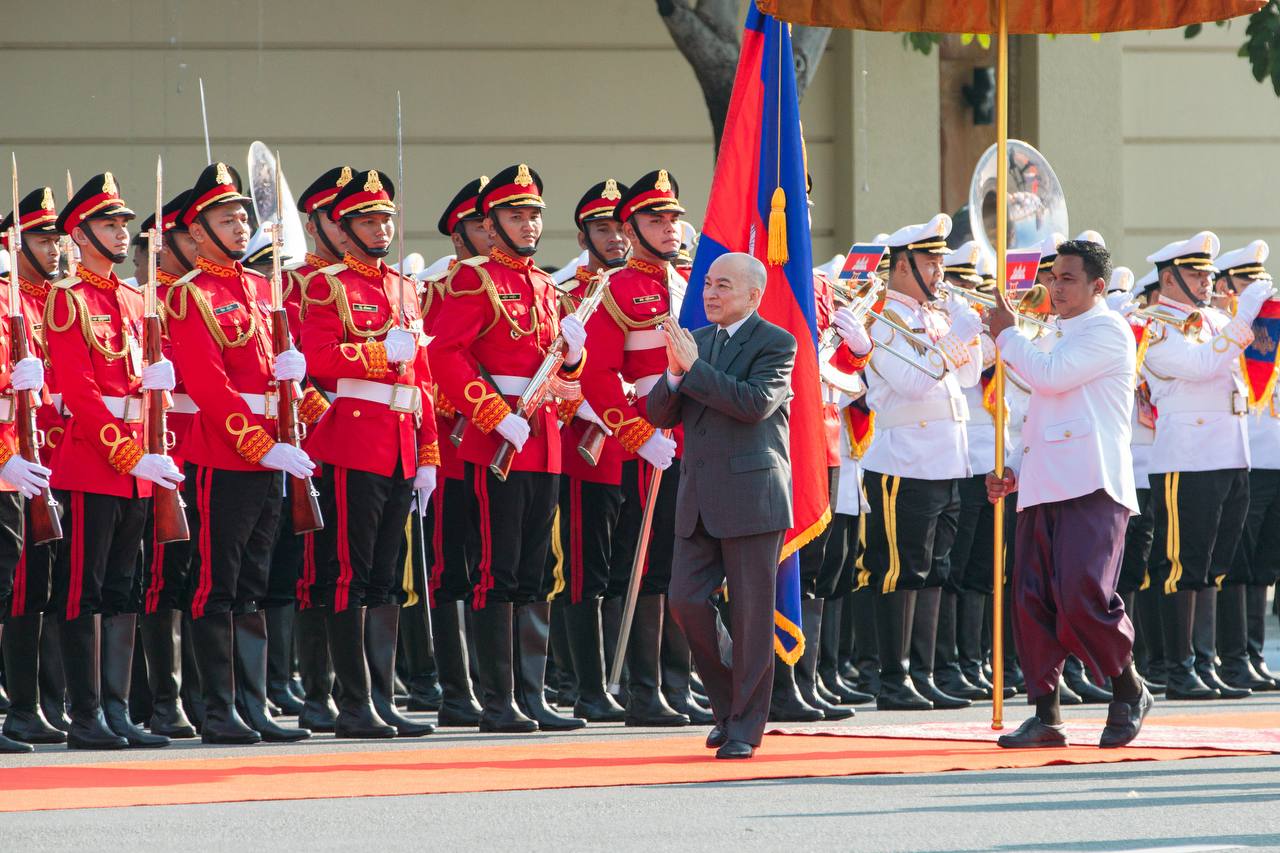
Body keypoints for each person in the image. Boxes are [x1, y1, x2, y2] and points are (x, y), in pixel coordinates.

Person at [427, 163, 587, 733]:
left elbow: (558, 371)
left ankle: (532, 693)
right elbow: (445, 355)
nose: (529, 224)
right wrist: (492, 412)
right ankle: (499, 700)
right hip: (498, 437)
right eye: (516, 215)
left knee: (533, 569)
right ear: (491, 224)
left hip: (542, 439)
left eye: (534, 215)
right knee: (495, 567)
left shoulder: (546, 286)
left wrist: (572, 356)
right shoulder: (474, 279)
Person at [165, 162, 316, 744]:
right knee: (218, 581)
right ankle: (217, 707)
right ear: (197, 231)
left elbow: (271, 375)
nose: (237, 226)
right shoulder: (189, 295)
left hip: (273, 451)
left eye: (241, 217)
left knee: (254, 579)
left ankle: (253, 704)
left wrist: (295, 385)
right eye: (224, 219)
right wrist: (259, 444)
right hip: (225, 454)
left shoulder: (260, 289)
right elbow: (206, 383)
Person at [986, 238, 1149, 749]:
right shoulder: (1052, 331)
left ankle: (1128, 686)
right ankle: (1046, 714)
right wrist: (1011, 466)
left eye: (1068, 279)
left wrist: (1008, 336)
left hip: (1091, 481)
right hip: (1042, 480)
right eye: (1053, 277)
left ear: (1098, 287)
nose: (1055, 287)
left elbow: (1051, 378)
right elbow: (1038, 410)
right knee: (1032, 600)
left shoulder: (1108, 330)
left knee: (1083, 594)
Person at [45, 172, 184, 749]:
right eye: (108, 223)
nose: (121, 232)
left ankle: (119, 711)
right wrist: (129, 456)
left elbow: (135, 384)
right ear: (78, 234)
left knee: (126, 588)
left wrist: (159, 398)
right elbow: (77, 392)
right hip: (92, 464)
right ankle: (86, 716)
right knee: (87, 589)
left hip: (137, 468)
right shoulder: (66, 299)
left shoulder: (134, 299)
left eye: (124, 223)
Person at [301, 169, 439, 739]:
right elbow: (318, 356)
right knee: (348, 576)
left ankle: (381, 699)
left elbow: (423, 375)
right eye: (366, 219)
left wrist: (428, 451)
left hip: (401, 443)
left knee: (385, 577)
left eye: (385, 218)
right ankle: (351, 702)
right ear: (343, 226)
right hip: (351, 441)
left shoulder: (406, 289)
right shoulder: (324, 285)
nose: (380, 228)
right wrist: (379, 352)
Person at [648, 251, 797, 760]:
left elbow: (755, 403)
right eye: (708, 284)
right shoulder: (700, 342)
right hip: (698, 496)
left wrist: (692, 371)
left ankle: (744, 728)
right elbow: (659, 413)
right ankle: (732, 702)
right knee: (686, 602)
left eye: (723, 286)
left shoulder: (777, 342)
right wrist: (672, 376)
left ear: (754, 295)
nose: (710, 293)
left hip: (753, 496)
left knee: (753, 615)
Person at [577, 170, 691, 728]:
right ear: (630, 226)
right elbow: (597, 376)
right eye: (655, 219)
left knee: (690, 564)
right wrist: (638, 436)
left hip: (700, 438)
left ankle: (681, 679)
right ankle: (646, 690)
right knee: (649, 567)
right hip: (653, 440)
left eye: (673, 218)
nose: (668, 228)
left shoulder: (697, 281)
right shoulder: (615, 289)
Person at [858, 214, 983, 712]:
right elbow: (912, 382)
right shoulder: (883, 318)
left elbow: (970, 376)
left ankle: (924, 673)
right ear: (903, 265)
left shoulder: (934, 315)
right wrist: (957, 335)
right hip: (902, 463)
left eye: (940, 261)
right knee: (900, 571)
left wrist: (970, 332)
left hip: (945, 463)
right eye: (931, 261)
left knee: (934, 571)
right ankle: (894, 678)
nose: (939, 272)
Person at [1143, 232, 1269, 701]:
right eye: (1196, 274)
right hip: (1187, 455)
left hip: (1230, 451)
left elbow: (1250, 364)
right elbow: (1197, 366)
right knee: (1182, 563)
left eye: (1208, 274)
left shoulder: (1218, 317)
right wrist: (1243, 318)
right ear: (1169, 278)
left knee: (1215, 565)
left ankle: (1204, 660)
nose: (1206, 281)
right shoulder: (1154, 324)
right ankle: (1178, 668)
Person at [551, 179, 631, 723]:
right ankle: (585, 683)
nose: (616, 238)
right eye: (604, 228)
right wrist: (595, 405)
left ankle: (628, 676)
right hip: (590, 443)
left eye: (622, 227)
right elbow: (553, 372)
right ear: (584, 234)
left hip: (642, 443)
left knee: (631, 567)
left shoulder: (649, 285)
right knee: (586, 569)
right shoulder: (564, 290)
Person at [416, 175, 491, 728]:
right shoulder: (444, 285)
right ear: (458, 235)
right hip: (451, 443)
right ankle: (454, 686)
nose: (491, 234)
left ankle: (494, 683)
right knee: (451, 565)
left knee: (498, 564)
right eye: (480, 226)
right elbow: (431, 366)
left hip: (497, 441)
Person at [0, 187, 60, 751]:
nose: (56, 246)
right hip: (7, 462)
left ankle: (27, 708)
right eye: (42, 237)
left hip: (22, 463)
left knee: (20, 588)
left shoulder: (26, 304)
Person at [1218, 241, 1280, 691]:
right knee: (1236, 562)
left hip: (1275, 457)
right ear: (1225, 286)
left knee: (1264, 564)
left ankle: (1253, 655)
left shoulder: (1271, 326)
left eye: (1261, 279)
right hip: (1245, 456)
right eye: (1247, 281)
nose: (1258, 289)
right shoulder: (1224, 328)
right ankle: (1232, 656)